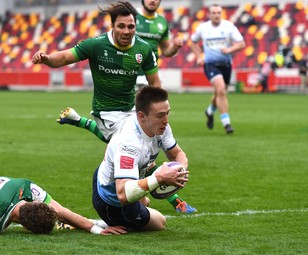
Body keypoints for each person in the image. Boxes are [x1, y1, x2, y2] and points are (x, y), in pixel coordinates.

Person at [32, 1, 196, 214]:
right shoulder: (96, 45)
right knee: (140, 150)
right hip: (106, 113)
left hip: (131, 110)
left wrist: (158, 111)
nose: (126, 31)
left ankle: (78, 121)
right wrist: (46, 59)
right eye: (121, 26)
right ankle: (176, 201)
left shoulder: (143, 49)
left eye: (131, 26)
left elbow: (155, 84)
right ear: (112, 26)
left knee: (141, 159)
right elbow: (63, 57)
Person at [0, 144, 126, 235]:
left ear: (34, 202)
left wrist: (96, 228)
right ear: (26, 227)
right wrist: (96, 228)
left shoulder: (22, 185)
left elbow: (61, 211)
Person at [92, 86, 192, 231]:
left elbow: (177, 154)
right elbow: (123, 194)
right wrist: (159, 178)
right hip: (111, 200)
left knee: (145, 202)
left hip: (114, 177)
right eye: (160, 115)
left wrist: (179, 171)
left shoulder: (160, 127)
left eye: (167, 114)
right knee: (160, 222)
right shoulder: (129, 144)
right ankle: (97, 223)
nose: (166, 120)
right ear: (141, 116)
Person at [190, 4, 246, 134]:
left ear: (222, 14)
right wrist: (199, 57)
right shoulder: (203, 28)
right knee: (221, 90)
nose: (216, 15)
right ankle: (227, 123)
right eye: (213, 13)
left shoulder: (229, 26)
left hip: (226, 64)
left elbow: (242, 44)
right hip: (211, 64)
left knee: (218, 93)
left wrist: (229, 50)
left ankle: (209, 111)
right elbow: (193, 42)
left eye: (218, 13)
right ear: (209, 15)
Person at [135, 0, 183, 88]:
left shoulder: (162, 21)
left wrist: (175, 47)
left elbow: (166, 51)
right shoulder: (132, 16)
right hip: (130, 73)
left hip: (151, 73)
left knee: (162, 102)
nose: (152, 1)